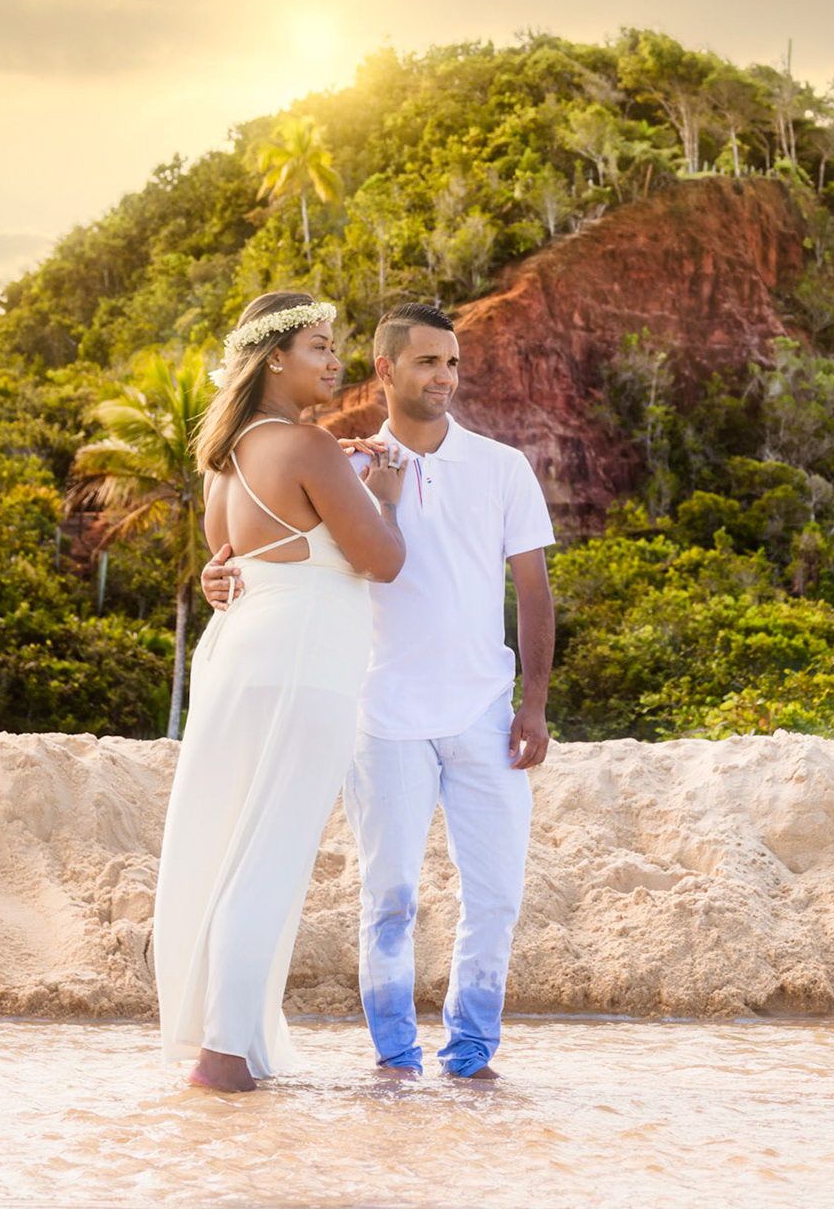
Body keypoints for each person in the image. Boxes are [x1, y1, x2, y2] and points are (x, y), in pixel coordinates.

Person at [203, 301, 555, 1081]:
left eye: (455, 362)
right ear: (386, 371)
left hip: (483, 712)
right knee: (388, 897)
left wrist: (533, 704)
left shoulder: (502, 467)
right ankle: (395, 1061)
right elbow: (258, 544)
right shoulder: (345, 462)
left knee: (495, 895)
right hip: (380, 713)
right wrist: (219, 573)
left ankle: (471, 1058)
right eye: (428, 361)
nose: (446, 377)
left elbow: (534, 590)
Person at [153, 290, 408, 1094]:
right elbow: (384, 559)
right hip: (304, 661)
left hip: (237, 656)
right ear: (273, 358)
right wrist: (388, 496)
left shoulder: (222, 462)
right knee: (271, 851)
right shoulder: (309, 447)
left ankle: (223, 1046)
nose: (336, 363)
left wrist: (350, 474)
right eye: (320, 348)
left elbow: (225, 565)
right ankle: (225, 1059)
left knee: (228, 842)